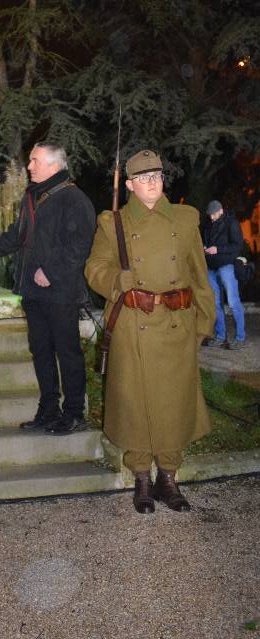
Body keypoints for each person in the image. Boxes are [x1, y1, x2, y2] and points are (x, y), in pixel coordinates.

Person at [85, 149, 215, 514]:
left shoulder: (186, 219)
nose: (152, 183)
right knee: (135, 402)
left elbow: (199, 275)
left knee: (174, 402)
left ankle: (168, 478)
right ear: (129, 185)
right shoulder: (113, 222)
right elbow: (94, 268)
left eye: (156, 176)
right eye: (143, 178)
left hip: (177, 323)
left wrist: (204, 322)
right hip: (134, 325)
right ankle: (142, 477)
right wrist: (116, 279)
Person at [0, 143, 96, 436]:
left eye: (35, 161)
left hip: (61, 293)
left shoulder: (74, 199)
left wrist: (51, 272)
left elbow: (80, 246)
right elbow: (19, 235)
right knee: (41, 352)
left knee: (67, 353)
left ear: (54, 166)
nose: (29, 166)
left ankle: (74, 413)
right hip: (33, 292)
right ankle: (48, 410)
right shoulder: (33, 195)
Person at [203, 200, 246, 348]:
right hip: (211, 266)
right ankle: (220, 336)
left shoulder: (231, 223)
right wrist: (205, 248)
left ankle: (240, 338)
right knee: (215, 303)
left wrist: (218, 249)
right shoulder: (208, 225)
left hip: (226, 265)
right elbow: (208, 242)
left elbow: (238, 246)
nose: (211, 217)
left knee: (233, 302)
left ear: (221, 210)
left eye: (214, 214)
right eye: (210, 215)